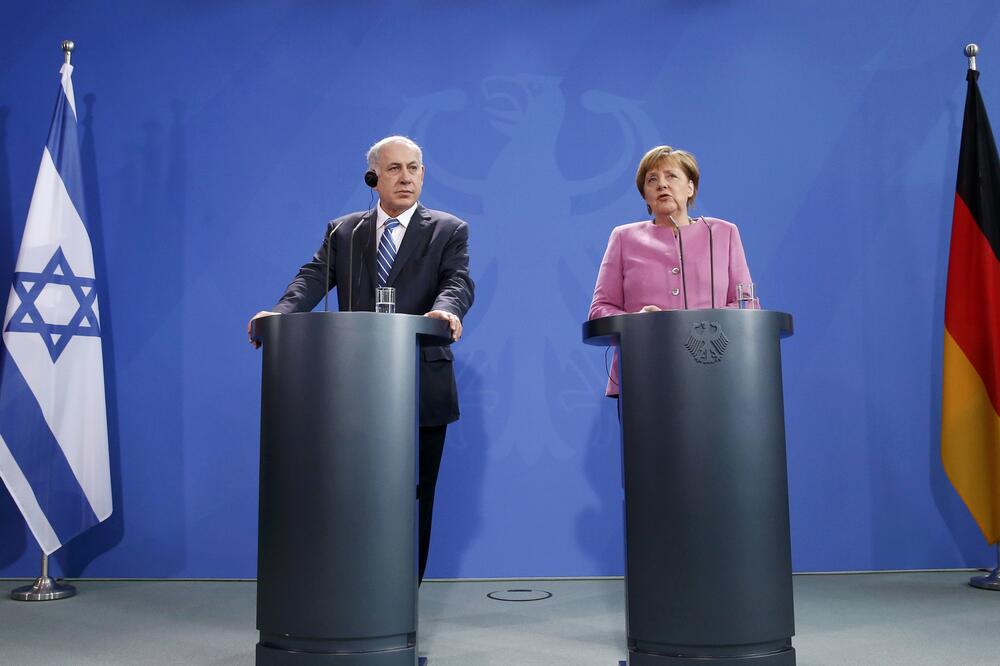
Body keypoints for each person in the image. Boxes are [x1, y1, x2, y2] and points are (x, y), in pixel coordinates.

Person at [247, 135, 474, 583]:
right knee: (352, 493)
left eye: (413, 168)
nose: (406, 177)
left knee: (414, 494)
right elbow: (312, 277)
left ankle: (404, 594)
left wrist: (447, 309)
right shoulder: (343, 232)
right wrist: (280, 313)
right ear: (374, 178)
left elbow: (458, 281)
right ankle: (354, 590)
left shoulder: (449, 229)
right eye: (394, 169)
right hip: (353, 387)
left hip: (420, 382)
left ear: (423, 174)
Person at [589, 145, 753, 396]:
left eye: (671, 176)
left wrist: (702, 326)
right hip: (643, 373)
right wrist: (637, 321)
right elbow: (600, 309)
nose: (661, 185)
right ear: (645, 195)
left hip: (716, 372)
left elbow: (745, 305)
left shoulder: (723, 233)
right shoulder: (624, 238)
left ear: (690, 188)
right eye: (652, 180)